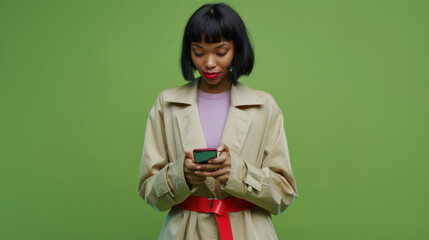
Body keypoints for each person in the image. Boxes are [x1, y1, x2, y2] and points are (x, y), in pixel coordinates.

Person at [138, 3, 298, 240]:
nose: (209, 63)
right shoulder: (167, 104)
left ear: (237, 49)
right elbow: (149, 191)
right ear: (188, 51)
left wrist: (237, 173)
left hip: (249, 232)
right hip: (184, 232)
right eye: (199, 52)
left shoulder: (264, 107)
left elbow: (283, 193)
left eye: (221, 52)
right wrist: (183, 175)